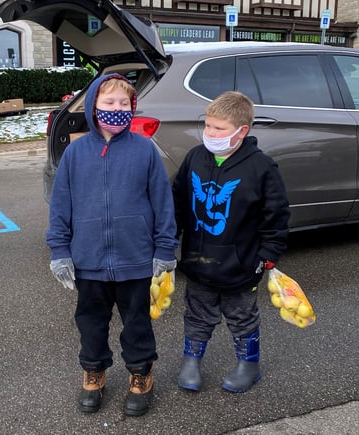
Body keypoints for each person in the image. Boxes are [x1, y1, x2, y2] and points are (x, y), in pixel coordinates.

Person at [46, 73, 179, 417]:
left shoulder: (144, 150)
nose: (116, 109)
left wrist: (165, 249)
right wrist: (60, 251)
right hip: (88, 260)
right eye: (109, 103)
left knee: (137, 322)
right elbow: (61, 206)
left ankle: (140, 374)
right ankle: (93, 372)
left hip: (135, 259)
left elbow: (163, 202)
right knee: (91, 321)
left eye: (124, 104)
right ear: (93, 106)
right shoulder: (75, 153)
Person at [172, 91, 290, 394]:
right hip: (198, 261)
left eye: (219, 128)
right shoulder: (195, 158)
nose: (210, 133)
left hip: (241, 264)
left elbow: (275, 215)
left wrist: (267, 255)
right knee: (197, 312)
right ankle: (191, 362)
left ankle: (248, 365)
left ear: (242, 131)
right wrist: (167, 239)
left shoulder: (262, 168)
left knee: (241, 316)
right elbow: (178, 201)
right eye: (208, 126)